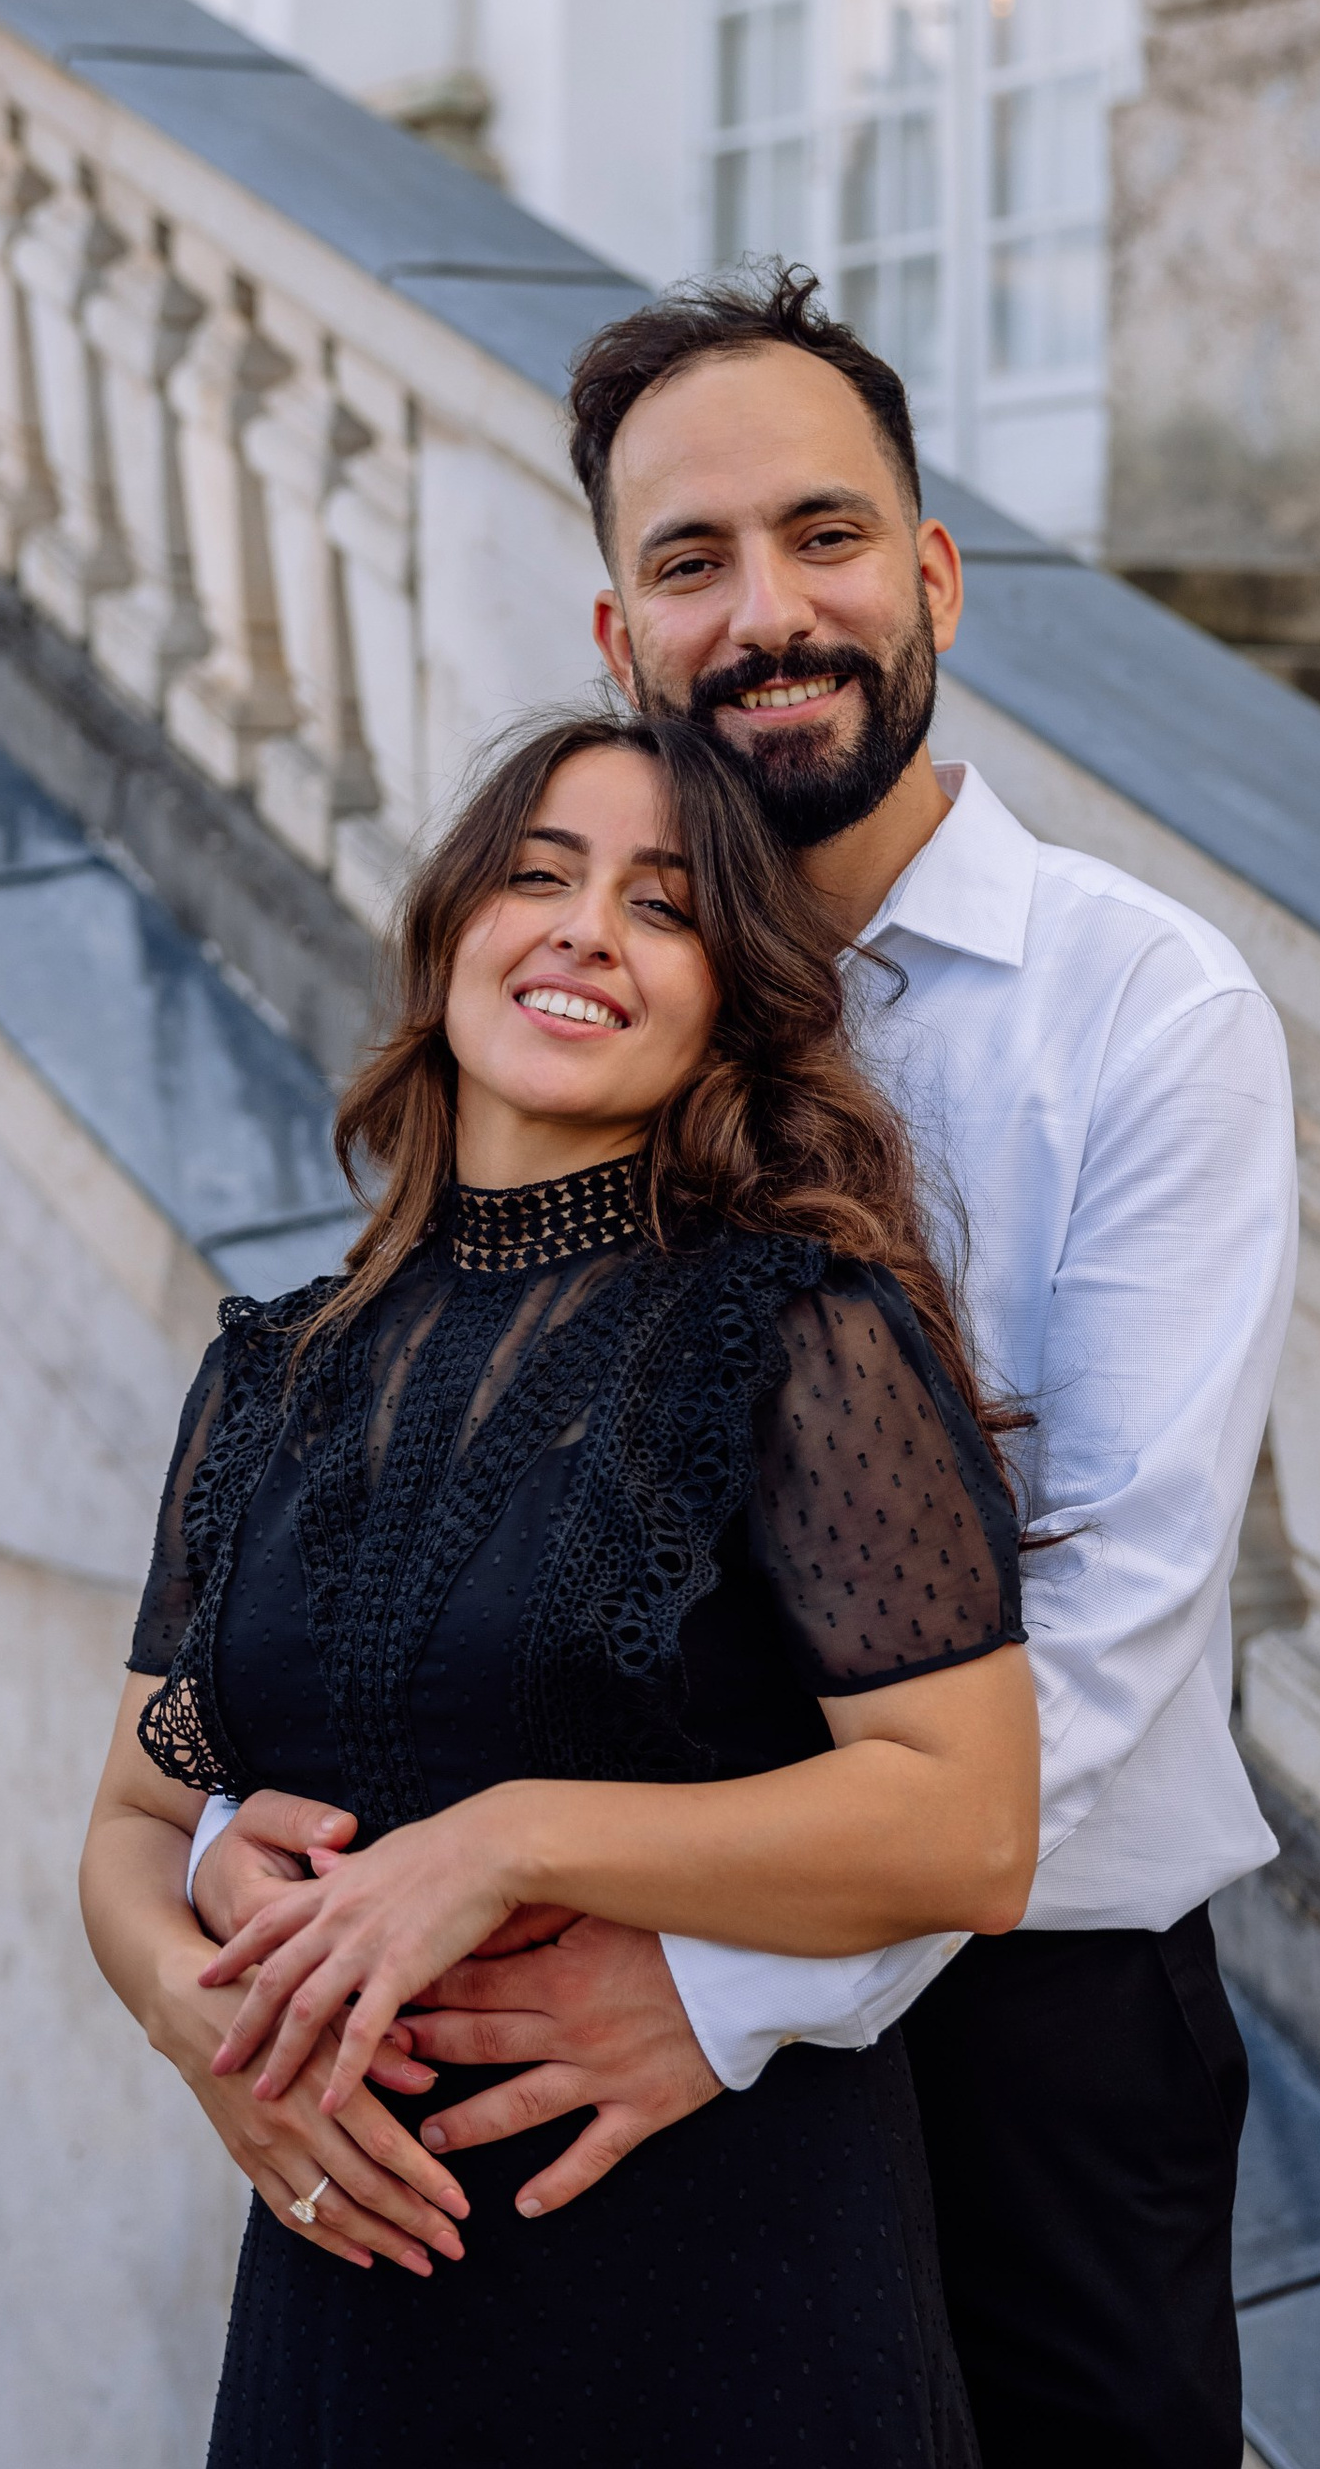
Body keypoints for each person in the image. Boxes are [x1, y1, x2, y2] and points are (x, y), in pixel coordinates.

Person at [193, 268, 1299, 2469]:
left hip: (1016, 2041)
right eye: (688, 560)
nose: (764, 609)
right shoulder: (576, 1004)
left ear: (931, 574)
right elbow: (414, 1484)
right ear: (617, 638)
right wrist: (244, 1872)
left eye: (820, 534)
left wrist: (726, 1988)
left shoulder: (1142, 1008)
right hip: (560, 1998)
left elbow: (1105, 1624)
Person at [80, 708, 1038, 2467]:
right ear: (453, 931)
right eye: (539, 875)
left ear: (729, 1002)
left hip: (717, 2300)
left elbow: (969, 1825)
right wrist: (180, 2002)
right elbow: (139, 1816)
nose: (587, 926)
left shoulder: (802, 1330)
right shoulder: (274, 1373)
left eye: (663, 905)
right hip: (346, 2307)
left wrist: (507, 1836)